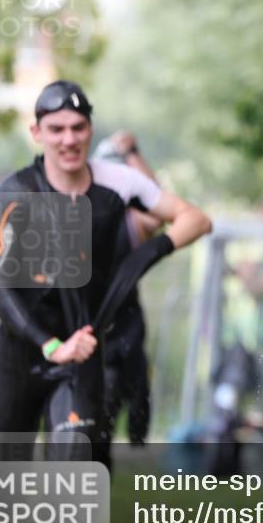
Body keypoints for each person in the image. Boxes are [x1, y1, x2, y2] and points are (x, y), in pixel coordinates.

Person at [0, 80, 212, 523]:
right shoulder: (16, 190)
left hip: (83, 350)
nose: (69, 139)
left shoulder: (116, 182)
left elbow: (196, 218)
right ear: (36, 132)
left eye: (79, 127)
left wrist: (141, 259)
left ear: (90, 129)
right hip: (23, 350)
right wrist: (47, 344)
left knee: (71, 475)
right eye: (57, 129)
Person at [92, 131, 161, 453]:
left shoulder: (133, 221)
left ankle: (136, 454)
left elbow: (159, 205)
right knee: (103, 404)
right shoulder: (79, 215)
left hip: (128, 323)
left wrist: (133, 153)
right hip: (92, 325)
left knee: (138, 401)